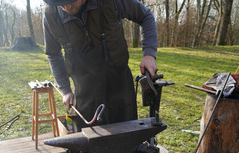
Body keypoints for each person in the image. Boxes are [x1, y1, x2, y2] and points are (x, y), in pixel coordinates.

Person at [43, 0, 158, 131]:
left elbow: (145, 15)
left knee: (126, 138)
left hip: (120, 85)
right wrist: (65, 89)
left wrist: (149, 54)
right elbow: (53, 54)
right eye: (61, 3)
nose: (67, 7)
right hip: (85, 91)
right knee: (87, 143)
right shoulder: (51, 14)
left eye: (70, 0)